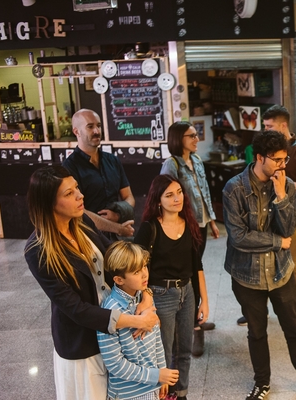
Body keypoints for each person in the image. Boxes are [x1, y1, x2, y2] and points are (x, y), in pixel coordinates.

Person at [24, 166, 158, 400]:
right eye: (68, 193)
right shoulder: (38, 250)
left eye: (76, 187)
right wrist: (137, 320)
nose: (80, 195)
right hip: (83, 345)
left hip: (116, 335)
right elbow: (76, 309)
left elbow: (121, 262)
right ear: (48, 203)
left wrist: (146, 295)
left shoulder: (82, 220)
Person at [223, 131, 296, 400]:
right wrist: (276, 242)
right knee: (257, 331)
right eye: (278, 160)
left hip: (281, 272)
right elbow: (238, 238)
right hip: (247, 275)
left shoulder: (288, 185)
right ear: (260, 157)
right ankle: (262, 383)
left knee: (294, 327)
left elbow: (290, 230)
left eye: (285, 159)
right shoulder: (234, 189)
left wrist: (281, 195)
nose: (283, 165)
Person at [234, 104, 296, 332]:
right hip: (265, 216)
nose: (265, 130)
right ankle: (257, 308)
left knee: (295, 263)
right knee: (263, 261)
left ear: (283, 126)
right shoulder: (263, 153)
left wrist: (283, 185)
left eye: (269, 126)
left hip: (295, 213)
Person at [134, 174, 209, 400]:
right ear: (158, 200)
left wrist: (203, 299)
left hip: (187, 292)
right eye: (169, 195)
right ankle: (163, 396)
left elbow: (197, 265)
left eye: (179, 193)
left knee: (184, 350)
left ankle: (181, 393)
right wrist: (146, 297)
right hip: (160, 294)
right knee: (164, 352)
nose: (177, 198)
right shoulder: (149, 228)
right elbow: (135, 266)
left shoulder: (189, 224)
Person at [160, 121, 219, 356]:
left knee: (197, 269)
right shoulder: (170, 164)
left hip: (201, 223)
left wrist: (212, 220)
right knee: (192, 272)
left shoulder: (196, 159)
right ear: (178, 139)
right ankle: (194, 327)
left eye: (196, 135)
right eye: (191, 136)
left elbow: (204, 192)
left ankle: (197, 319)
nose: (196, 139)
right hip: (185, 226)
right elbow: (163, 196)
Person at [98, 241, 179, 400]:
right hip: (129, 394)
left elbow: (156, 339)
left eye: (144, 266)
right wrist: (157, 375)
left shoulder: (144, 297)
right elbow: (115, 365)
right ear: (119, 279)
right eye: (136, 271)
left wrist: (162, 371)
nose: (145, 274)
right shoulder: (110, 310)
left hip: (152, 386)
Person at [63, 108, 135, 239]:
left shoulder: (112, 160)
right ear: (76, 131)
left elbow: (129, 197)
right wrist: (117, 228)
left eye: (99, 126)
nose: (96, 131)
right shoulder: (69, 167)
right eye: (90, 127)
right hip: (89, 238)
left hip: (119, 234)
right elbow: (79, 212)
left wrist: (118, 214)